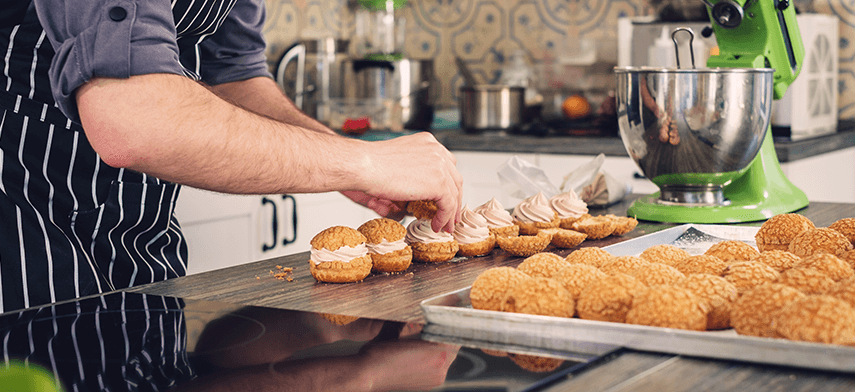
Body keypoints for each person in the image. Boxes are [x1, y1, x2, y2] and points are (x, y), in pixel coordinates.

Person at [0, 1, 462, 313]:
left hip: (141, 243)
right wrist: (364, 162)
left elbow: (231, 75)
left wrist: (354, 167)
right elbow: (133, 119)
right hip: (26, 234)